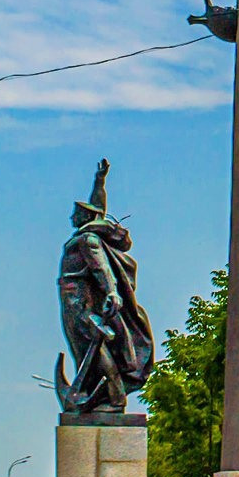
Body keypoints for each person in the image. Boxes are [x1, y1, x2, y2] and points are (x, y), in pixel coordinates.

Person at [55, 159, 154, 413]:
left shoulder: (87, 239)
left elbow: (101, 268)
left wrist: (111, 291)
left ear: (84, 217)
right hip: (74, 297)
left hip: (78, 300)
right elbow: (97, 208)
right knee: (87, 348)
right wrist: (99, 181)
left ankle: (115, 395)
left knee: (91, 346)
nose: (71, 217)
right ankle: (94, 394)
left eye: (76, 213)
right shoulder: (88, 233)